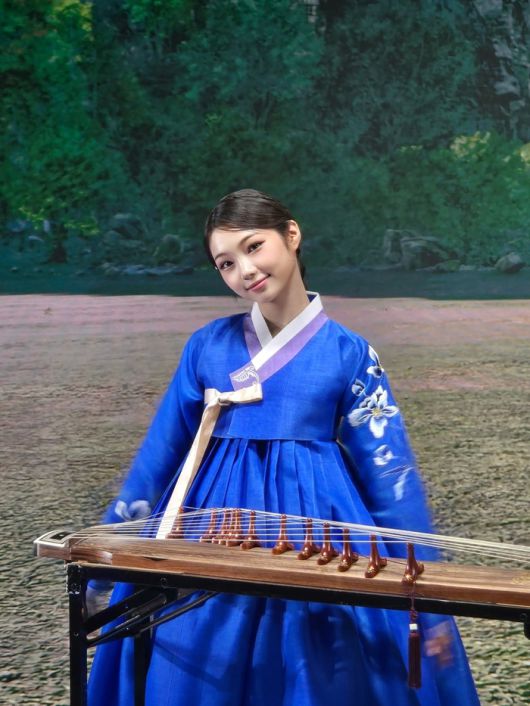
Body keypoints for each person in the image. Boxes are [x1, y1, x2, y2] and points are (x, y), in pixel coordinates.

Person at [88, 189, 480, 706]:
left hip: (318, 529)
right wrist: (106, 557)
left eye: (254, 247)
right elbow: (160, 453)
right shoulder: (206, 345)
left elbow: (391, 476)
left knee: (324, 663)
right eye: (226, 263)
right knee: (190, 658)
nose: (245, 270)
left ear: (291, 235)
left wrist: (426, 588)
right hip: (211, 529)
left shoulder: (349, 353)